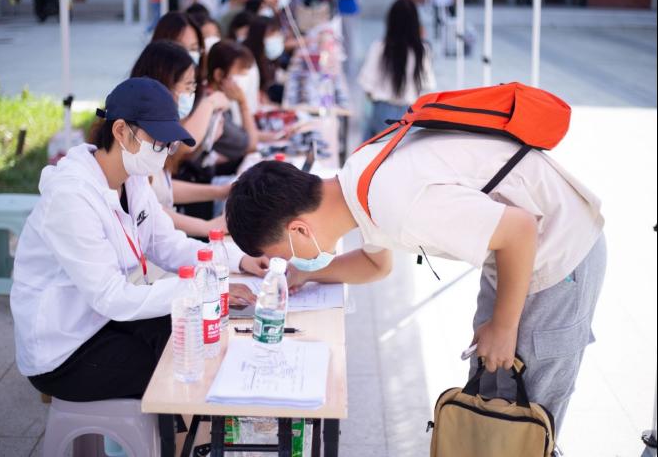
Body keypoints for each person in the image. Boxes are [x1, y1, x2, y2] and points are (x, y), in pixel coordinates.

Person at [225, 117, 606, 433]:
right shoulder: (358, 182)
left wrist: (505, 328)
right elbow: (376, 265)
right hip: (511, 254)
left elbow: (520, 230)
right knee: (491, 398)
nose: (288, 262)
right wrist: (307, 274)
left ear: (298, 229)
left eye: (283, 256)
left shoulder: (395, 205)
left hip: (556, 254)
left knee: (527, 413)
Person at [11, 77, 266, 403]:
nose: (164, 153)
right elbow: (111, 297)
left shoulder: (133, 180)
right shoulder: (71, 197)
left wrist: (237, 259)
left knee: (196, 336)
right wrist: (205, 288)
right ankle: (187, 429)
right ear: (120, 131)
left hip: (104, 320)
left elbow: (167, 245)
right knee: (182, 365)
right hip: (64, 349)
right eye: (158, 143)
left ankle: (195, 423)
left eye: (169, 145)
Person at [130, 40, 231, 237]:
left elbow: (162, 188)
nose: (191, 94)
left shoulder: (158, 128)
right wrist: (207, 226)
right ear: (164, 84)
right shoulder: (138, 135)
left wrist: (219, 192)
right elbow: (149, 206)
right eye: (188, 86)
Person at [358, 0, 436, 141]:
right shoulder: (422, 50)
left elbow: (366, 84)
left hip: (383, 113)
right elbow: (428, 85)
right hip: (412, 115)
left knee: (374, 148)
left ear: (390, 22)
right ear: (415, 22)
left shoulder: (380, 47)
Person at [242, 15, 285, 104]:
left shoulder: (266, 55)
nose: (276, 37)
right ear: (258, 36)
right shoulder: (247, 61)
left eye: (277, 33)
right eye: (271, 34)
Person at [335, 0, 358, 74]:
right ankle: (346, 65)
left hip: (348, 11)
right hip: (344, 10)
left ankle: (350, 67)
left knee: (349, 40)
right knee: (345, 39)